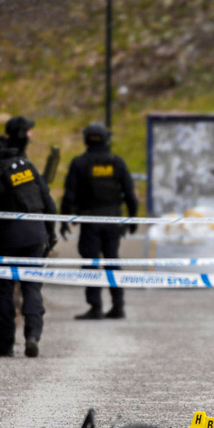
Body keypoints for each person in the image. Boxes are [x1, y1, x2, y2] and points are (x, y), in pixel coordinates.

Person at [0, 133, 58, 358]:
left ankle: (5, 345)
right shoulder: (26, 165)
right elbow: (47, 200)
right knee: (32, 287)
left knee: (4, 291)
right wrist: (51, 232)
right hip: (37, 235)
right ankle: (32, 336)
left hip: (7, 239)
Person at [59, 122, 139, 320]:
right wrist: (132, 218)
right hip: (113, 220)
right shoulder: (117, 162)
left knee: (91, 263)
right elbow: (130, 194)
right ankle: (118, 306)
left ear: (86, 139)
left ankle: (95, 307)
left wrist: (64, 220)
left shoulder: (79, 163)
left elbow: (69, 195)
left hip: (90, 221)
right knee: (112, 261)